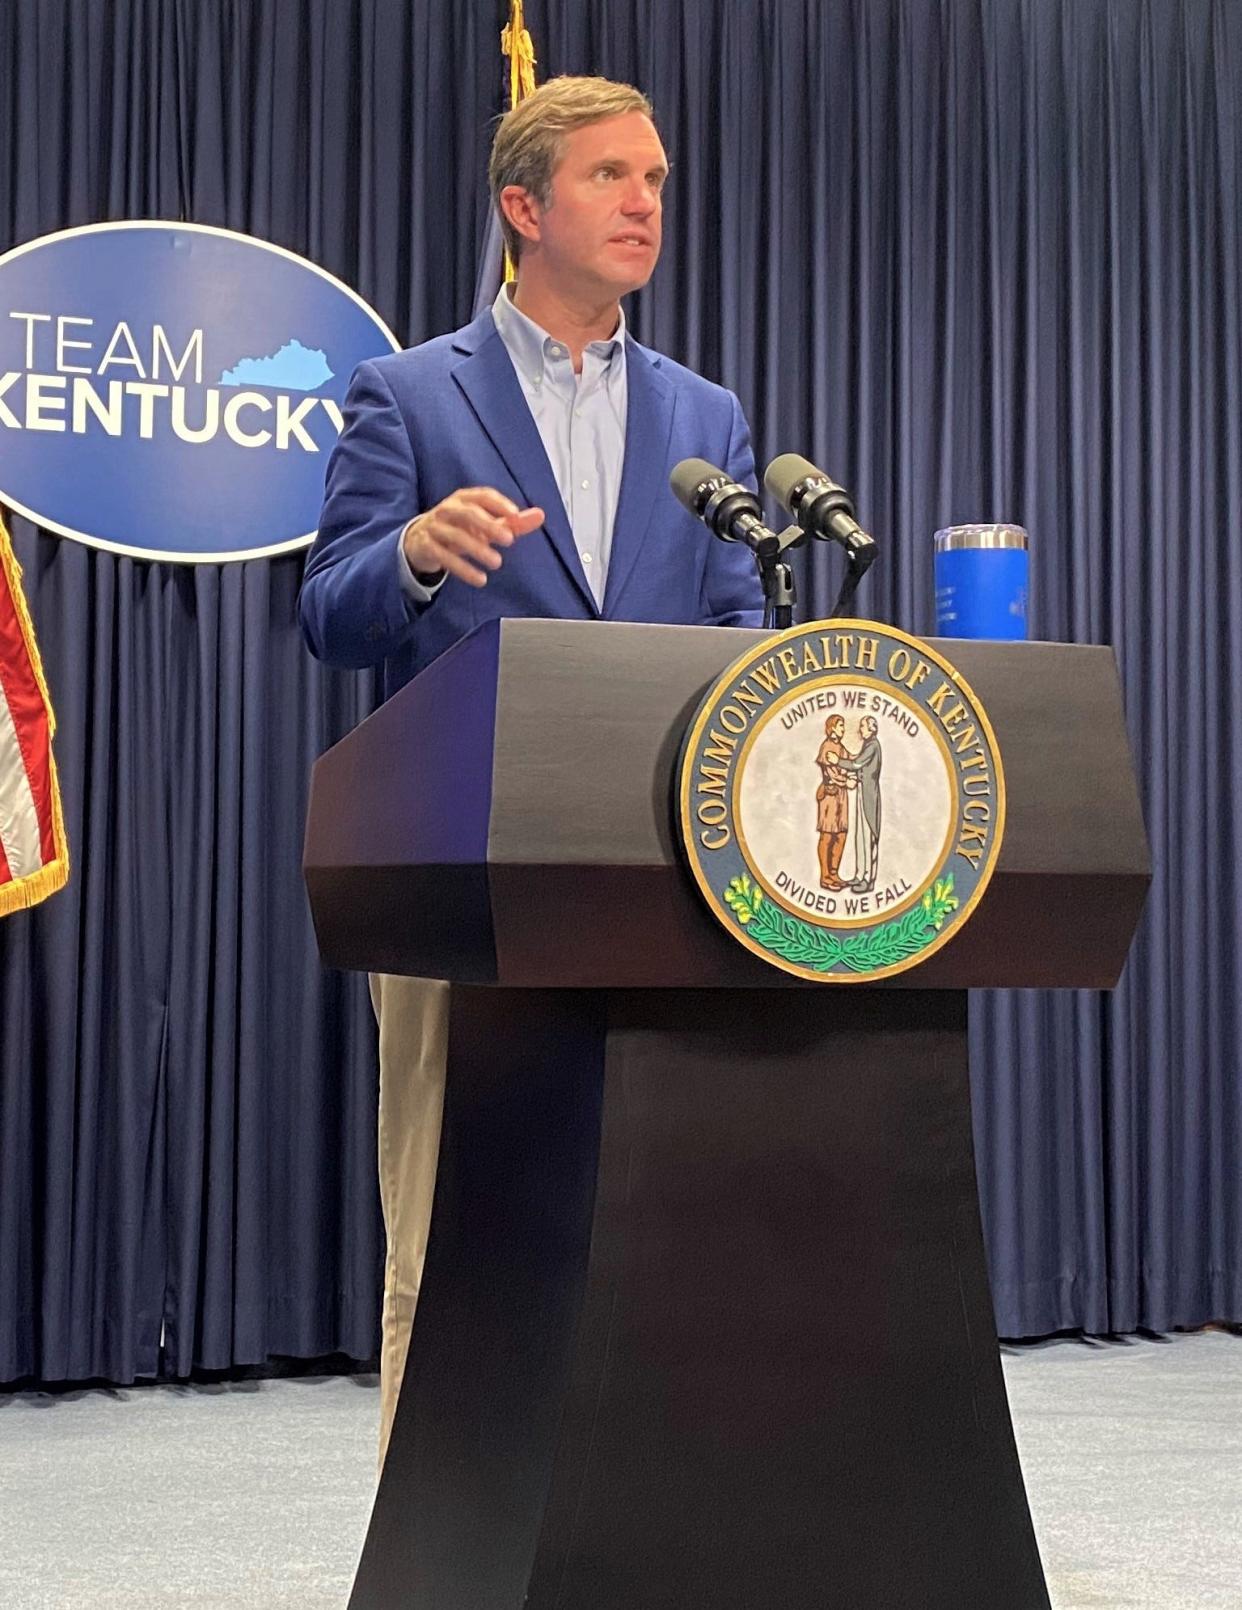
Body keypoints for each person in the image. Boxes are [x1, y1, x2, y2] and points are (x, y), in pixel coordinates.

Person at [299, 75, 763, 1465]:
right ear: (522, 205)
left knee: (650, 1233)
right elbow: (330, 607)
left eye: (659, 181)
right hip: (461, 880)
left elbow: (738, 623)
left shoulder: (706, 417)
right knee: (445, 1241)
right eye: (612, 176)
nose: (645, 204)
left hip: (663, 881)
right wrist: (416, 551)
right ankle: (429, 1541)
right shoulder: (411, 394)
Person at [835, 715, 882, 892]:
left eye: (862, 726)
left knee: (867, 837)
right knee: (860, 836)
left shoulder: (873, 745)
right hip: (863, 792)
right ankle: (859, 874)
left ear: (871, 729)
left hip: (870, 796)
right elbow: (859, 763)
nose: (859, 729)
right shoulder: (867, 745)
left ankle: (868, 880)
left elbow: (856, 763)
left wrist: (837, 761)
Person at [815, 715, 853, 891]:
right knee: (828, 835)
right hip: (829, 795)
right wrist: (846, 781)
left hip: (842, 797)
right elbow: (831, 773)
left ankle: (834, 873)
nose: (843, 729)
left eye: (843, 726)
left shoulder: (840, 748)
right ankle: (824, 876)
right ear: (831, 728)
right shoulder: (827, 747)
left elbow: (850, 762)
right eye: (840, 726)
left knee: (841, 835)